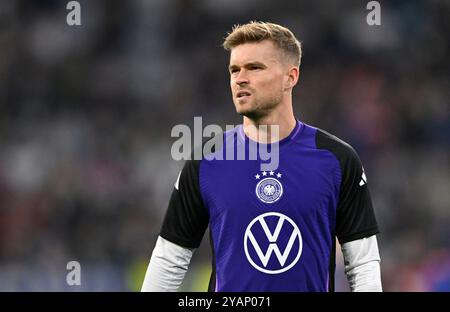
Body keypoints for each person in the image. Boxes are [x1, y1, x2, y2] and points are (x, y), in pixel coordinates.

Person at [141, 21, 382, 292]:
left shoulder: (338, 160)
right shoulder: (207, 161)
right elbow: (170, 259)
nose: (240, 78)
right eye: (234, 70)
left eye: (254, 67)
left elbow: (362, 264)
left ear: (291, 77)